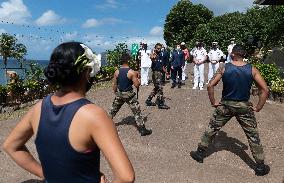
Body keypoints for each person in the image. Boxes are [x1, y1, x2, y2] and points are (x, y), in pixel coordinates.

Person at [3, 42, 135, 183]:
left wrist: (45, 174)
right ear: (86, 72)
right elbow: (125, 177)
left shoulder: (39, 108)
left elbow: (11, 146)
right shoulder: (94, 115)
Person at [190, 44, 270, 176]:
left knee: (212, 128)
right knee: (252, 135)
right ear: (243, 54)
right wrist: (258, 107)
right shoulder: (252, 69)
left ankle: (200, 153)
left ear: (233, 54)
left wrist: (214, 102)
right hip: (244, 107)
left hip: (226, 105)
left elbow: (210, 85)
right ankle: (260, 166)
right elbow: (265, 90)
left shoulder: (224, 67)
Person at [109, 53, 152, 136]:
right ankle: (142, 129)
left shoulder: (117, 71)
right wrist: (138, 78)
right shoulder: (131, 72)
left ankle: (104, 123)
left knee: (113, 110)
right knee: (137, 112)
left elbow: (114, 84)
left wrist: (115, 92)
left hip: (120, 94)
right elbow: (137, 85)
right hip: (129, 95)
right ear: (128, 61)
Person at [145, 43, 170, 109]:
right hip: (156, 73)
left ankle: (148, 100)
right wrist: (153, 54)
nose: (159, 49)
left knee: (156, 88)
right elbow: (152, 57)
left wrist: (166, 73)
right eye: (157, 48)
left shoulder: (160, 55)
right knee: (160, 87)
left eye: (160, 48)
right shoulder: (154, 54)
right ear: (155, 48)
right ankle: (160, 103)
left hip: (160, 73)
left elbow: (162, 66)